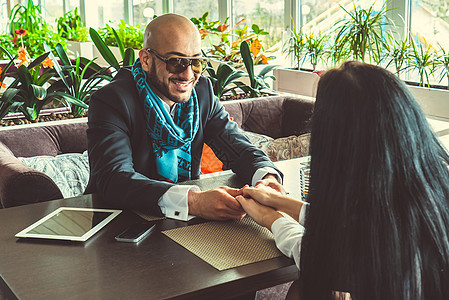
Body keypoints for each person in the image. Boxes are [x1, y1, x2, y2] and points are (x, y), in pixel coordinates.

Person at [236, 61, 449, 299]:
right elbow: (351, 232)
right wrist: (282, 202)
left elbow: (322, 261)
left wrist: (270, 217)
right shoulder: (424, 184)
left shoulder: (383, 238)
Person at [84, 13, 282, 221]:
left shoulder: (202, 92)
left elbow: (237, 147)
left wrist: (266, 178)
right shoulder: (112, 100)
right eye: (175, 62)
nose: (188, 75)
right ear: (146, 60)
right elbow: (114, 179)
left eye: (195, 62)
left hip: (182, 222)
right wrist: (194, 202)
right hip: (118, 223)